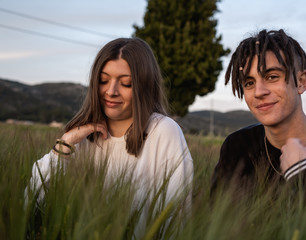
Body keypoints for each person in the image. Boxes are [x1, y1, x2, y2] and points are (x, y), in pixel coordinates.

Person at [27, 38, 193, 229]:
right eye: (103, 80)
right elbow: (29, 205)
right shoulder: (80, 138)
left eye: (126, 83)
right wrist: (65, 145)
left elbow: (175, 219)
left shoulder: (163, 131)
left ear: (143, 87)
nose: (111, 91)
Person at [211, 29, 306, 208]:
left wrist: (304, 172)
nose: (259, 92)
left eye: (272, 77)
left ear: (302, 81)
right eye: (249, 83)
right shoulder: (237, 147)